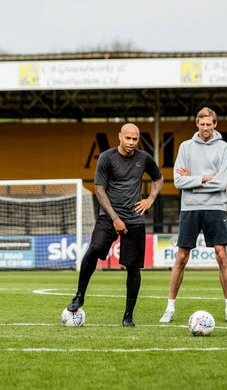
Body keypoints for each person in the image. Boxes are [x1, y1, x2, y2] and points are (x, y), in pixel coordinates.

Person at [66, 123, 163, 327]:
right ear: (119, 137)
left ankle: (128, 316)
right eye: (128, 138)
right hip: (109, 217)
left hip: (135, 218)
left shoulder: (144, 158)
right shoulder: (106, 157)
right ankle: (79, 296)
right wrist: (115, 218)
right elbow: (100, 191)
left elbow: (158, 178)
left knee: (133, 268)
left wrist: (150, 199)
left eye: (135, 139)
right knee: (94, 249)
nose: (131, 142)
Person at [159, 107, 227, 324]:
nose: (205, 128)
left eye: (209, 124)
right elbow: (178, 181)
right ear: (197, 124)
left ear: (215, 125)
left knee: (221, 255)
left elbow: (222, 182)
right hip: (190, 207)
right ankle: (170, 308)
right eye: (202, 124)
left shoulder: (223, 148)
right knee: (182, 257)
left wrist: (193, 180)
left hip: (216, 206)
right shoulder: (185, 147)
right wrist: (205, 178)